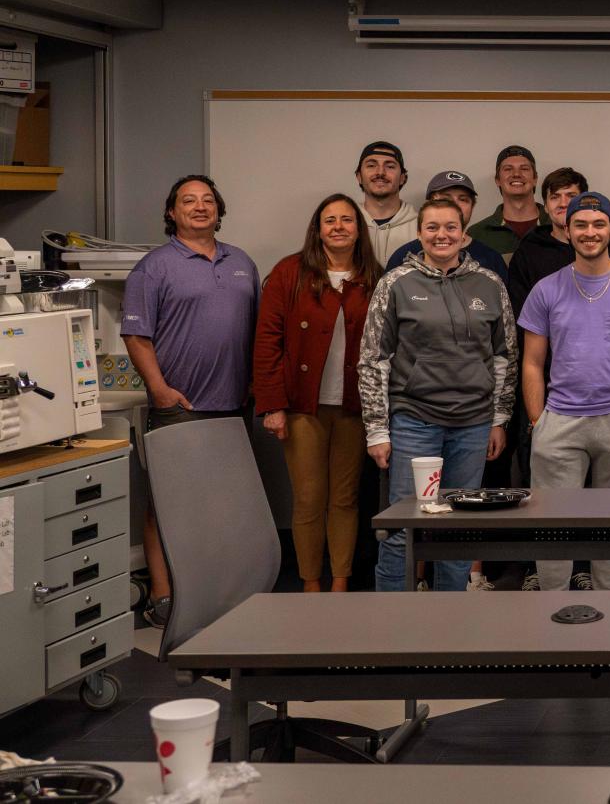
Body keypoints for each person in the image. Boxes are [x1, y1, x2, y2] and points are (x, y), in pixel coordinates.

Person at [122, 175, 259, 627]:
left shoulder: (241, 262)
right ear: (172, 212)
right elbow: (136, 336)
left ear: (219, 210)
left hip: (233, 405)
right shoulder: (154, 267)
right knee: (165, 502)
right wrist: (160, 391)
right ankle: (162, 595)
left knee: (224, 503)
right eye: (188, 201)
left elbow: (258, 330)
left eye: (207, 200)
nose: (199, 207)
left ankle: (213, 591)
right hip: (179, 405)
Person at [360, 198, 517, 593]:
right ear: (419, 233)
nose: (441, 235)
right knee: (403, 526)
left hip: (473, 424)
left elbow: (504, 357)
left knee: (459, 526)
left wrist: (499, 419)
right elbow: (373, 360)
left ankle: (450, 620)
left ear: (464, 234)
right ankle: (392, 622)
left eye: (450, 227)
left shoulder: (490, 284)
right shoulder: (395, 283)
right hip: (415, 421)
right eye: (432, 227)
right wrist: (377, 429)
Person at [518, 193, 610, 592]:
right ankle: (550, 612)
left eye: (598, 224)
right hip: (560, 421)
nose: (590, 232)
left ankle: (609, 610)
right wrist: (538, 420)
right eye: (581, 225)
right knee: (552, 523)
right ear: (566, 230)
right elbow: (532, 362)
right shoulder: (545, 289)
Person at [253, 193, 382, 593]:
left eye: (347, 219)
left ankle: (340, 581)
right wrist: (272, 405)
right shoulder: (290, 272)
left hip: (354, 407)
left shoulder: (374, 276)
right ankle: (310, 582)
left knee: (345, 499)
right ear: (318, 228)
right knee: (309, 498)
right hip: (302, 406)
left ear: (358, 229)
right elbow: (266, 341)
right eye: (330, 220)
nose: (339, 226)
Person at [507, 166, 610, 312]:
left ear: (585, 201)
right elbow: (522, 315)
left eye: (571, 196)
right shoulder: (527, 254)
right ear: (546, 207)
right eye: (555, 197)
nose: (563, 203)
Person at [385, 170, 508, 281]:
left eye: (463, 199)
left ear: (472, 206)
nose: (455, 205)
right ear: (429, 204)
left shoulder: (491, 259)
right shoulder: (403, 257)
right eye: (445, 198)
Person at [468, 145, 544, 261]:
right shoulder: (477, 234)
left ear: (535, 179)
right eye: (508, 169)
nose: (516, 174)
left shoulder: (557, 227)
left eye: (524, 169)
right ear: (497, 180)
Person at [354, 140, 418, 265]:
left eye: (390, 166)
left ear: (402, 178)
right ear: (359, 176)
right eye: (371, 165)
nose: (380, 172)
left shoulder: (423, 227)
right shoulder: (345, 226)